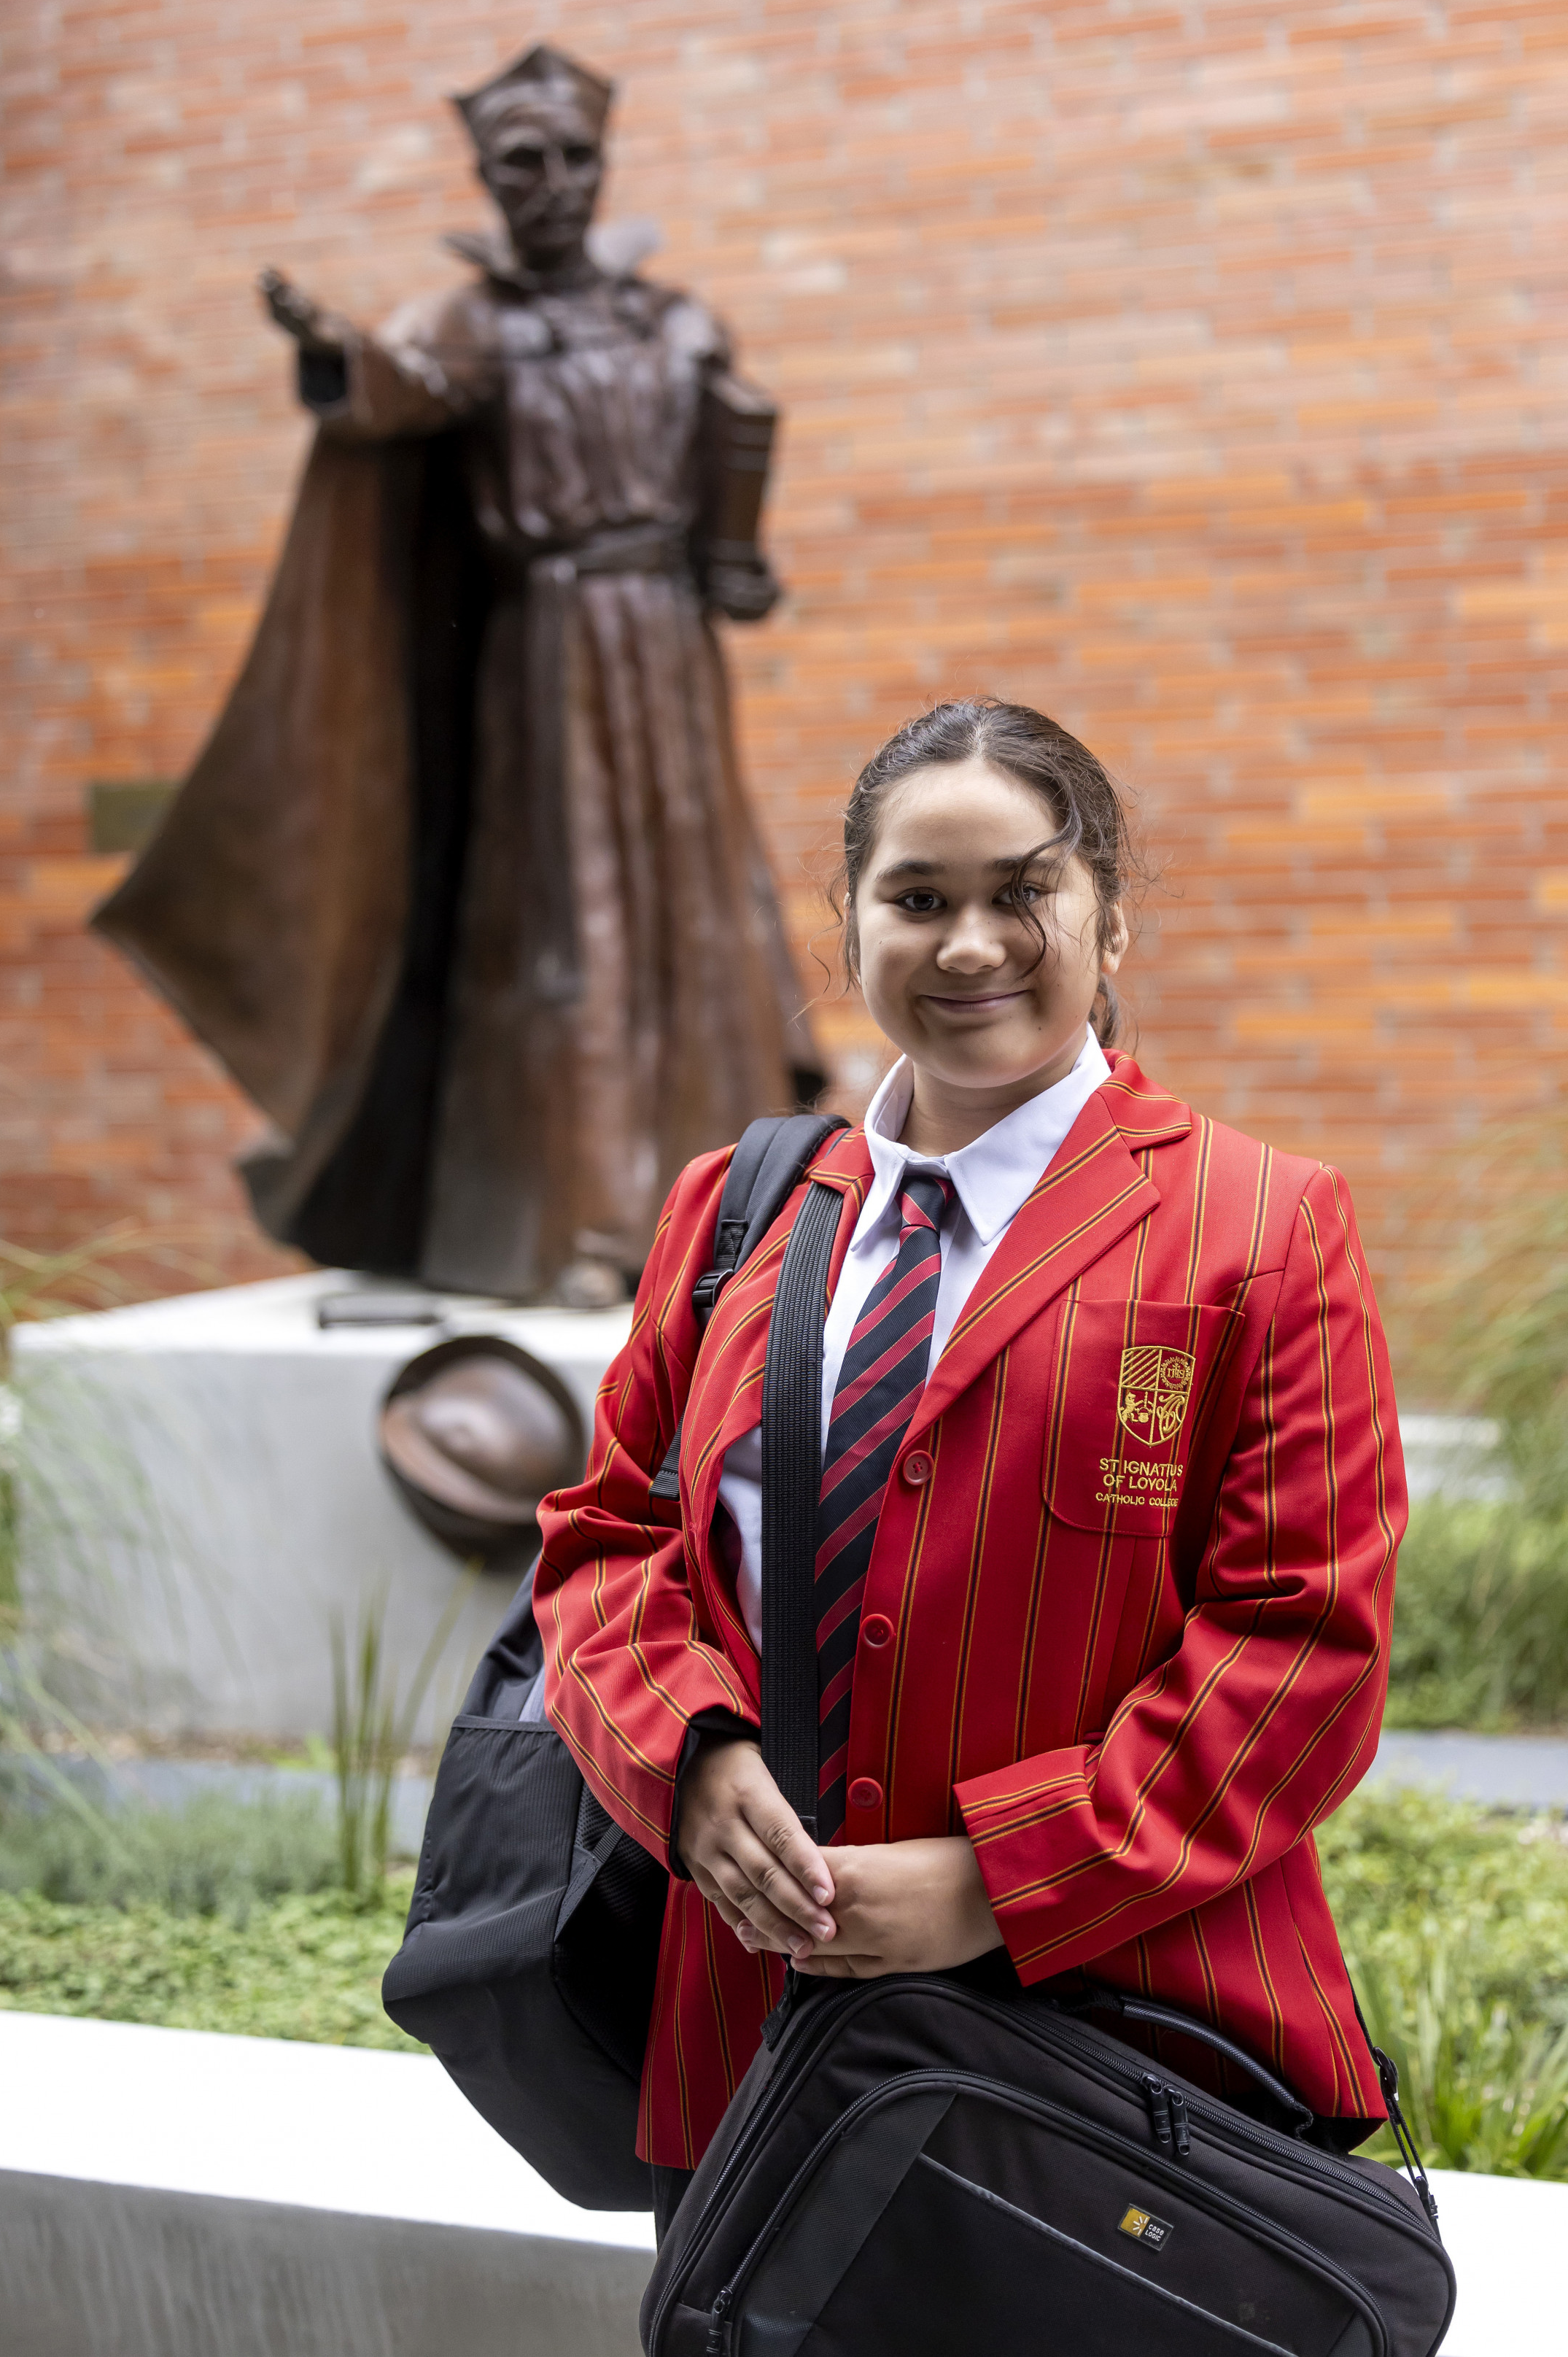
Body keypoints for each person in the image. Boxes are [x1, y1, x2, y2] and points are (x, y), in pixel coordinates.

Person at [535, 698, 1404, 2238]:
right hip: (753, 2048)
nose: (968, 946)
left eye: (1024, 892)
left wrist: (997, 1880)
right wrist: (692, 1764)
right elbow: (608, 1538)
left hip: (1102, 2061)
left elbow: (1296, 1653)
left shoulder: (1256, 1228)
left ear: (1109, 921)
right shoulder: (730, 1212)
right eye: (917, 899)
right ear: (850, 922)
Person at [94, 43, 820, 1302]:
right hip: (546, 657)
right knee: (568, 926)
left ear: (604, 164)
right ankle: (583, 1225)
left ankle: (728, 1216)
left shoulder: (678, 319)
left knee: (696, 916)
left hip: (669, 646)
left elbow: (725, 481)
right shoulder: (473, 324)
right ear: (487, 177)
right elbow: (399, 386)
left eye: (571, 156)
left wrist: (734, 556)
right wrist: (333, 345)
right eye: (519, 161)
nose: (549, 183)